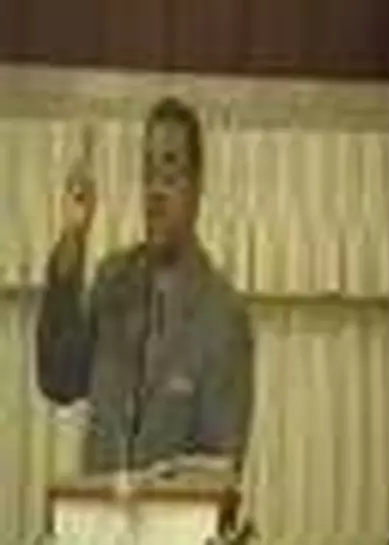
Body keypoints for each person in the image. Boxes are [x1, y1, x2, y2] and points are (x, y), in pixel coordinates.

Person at [36, 97, 253, 477]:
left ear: (197, 187)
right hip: (97, 512)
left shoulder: (223, 314)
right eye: (148, 173)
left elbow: (220, 467)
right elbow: (59, 379)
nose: (155, 191)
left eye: (170, 174)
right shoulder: (112, 280)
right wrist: (73, 238)